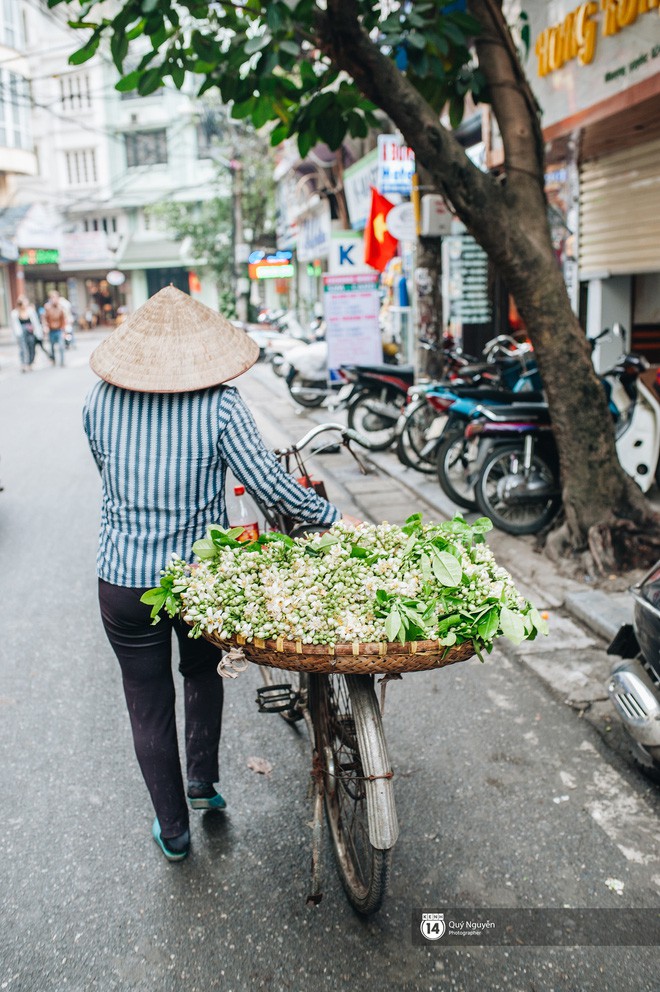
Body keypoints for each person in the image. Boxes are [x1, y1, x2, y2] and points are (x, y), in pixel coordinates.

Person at [82, 286, 359, 863]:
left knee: (146, 699)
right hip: (198, 580)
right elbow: (271, 487)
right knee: (202, 669)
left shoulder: (97, 402)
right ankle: (201, 783)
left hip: (123, 581)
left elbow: (107, 472)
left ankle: (174, 831)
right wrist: (333, 520)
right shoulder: (220, 404)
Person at [10, 295, 42, 372]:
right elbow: (14, 326)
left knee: (31, 348)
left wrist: (38, 333)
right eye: (24, 303)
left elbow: (36, 323)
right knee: (23, 349)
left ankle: (30, 363)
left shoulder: (30, 311)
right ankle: (24, 364)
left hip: (31, 333)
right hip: (21, 334)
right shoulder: (15, 313)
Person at [43, 290, 67, 366]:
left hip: (59, 330)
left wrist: (63, 331)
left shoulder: (61, 308)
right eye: (53, 298)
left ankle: (62, 362)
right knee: (52, 346)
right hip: (51, 330)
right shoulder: (47, 307)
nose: (55, 299)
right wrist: (45, 326)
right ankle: (53, 360)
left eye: (56, 297)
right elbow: (44, 318)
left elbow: (63, 320)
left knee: (61, 346)